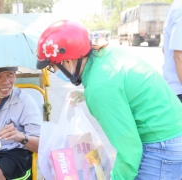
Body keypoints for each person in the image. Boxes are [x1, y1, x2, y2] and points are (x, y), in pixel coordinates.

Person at [36, 20, 182, 179]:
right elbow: (122, 88)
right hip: (172, 135)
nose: (53, 71)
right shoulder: (107, 56)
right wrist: (85, 95)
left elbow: (130, 151)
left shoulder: (100, 88)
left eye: (53, 66)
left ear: (68, 61)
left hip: (161, 148)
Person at [162, 0, 182, 102]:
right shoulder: (180, 8)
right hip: (179, 90)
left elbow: (164, 49)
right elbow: (179, 57)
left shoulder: (176, 6)